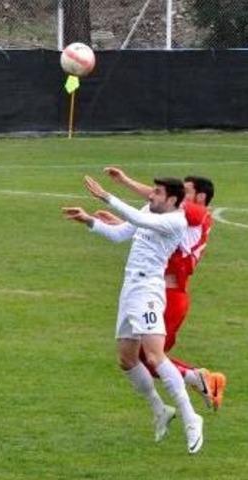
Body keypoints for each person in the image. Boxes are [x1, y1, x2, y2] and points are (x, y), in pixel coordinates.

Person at [63, 175, 204, 454]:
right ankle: (160, 409)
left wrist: (107, 197)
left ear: (173, 199)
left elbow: (142, 224)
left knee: (154, 355)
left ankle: (190, 417)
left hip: (149, 290)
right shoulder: (148, 210)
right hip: (129, 288)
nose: (150, 196)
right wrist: (89, 220)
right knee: (127, 359)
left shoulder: (176, 220)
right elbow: (120, 234)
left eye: (157, 193)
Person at [97, 168, 226, 410]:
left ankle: (197, 380)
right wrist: (121, 224)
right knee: (141, 359)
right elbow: (152, 225)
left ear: (199, 198)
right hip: (162, 292)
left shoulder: (197, 214)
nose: (178, 195)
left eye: (184, 192)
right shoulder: (180, 217)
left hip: (168, 294)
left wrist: (126, 182)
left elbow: (158, 200)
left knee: (150, 359)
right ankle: (196, 381)